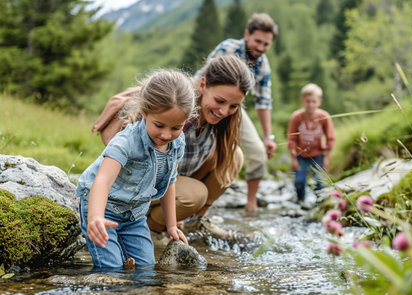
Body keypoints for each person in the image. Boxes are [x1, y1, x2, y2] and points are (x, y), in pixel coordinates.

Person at [91, 55, 254, 233]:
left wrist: (182, 214)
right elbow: (118, 145)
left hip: (170, 181)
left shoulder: (217, 120)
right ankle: (152, 229)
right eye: (220, 101)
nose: (224, 111)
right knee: (195, 194)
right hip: (135, 188)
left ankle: (195, 221)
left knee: (234, 155)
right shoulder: (176, 112)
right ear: (203, 85)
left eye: (233, 106)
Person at [76, 69, 195, 269]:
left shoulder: (178, 143)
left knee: (145, 269)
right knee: (111, 268)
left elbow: (170, 181)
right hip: (103, 209)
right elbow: (102, 180)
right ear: (145, 112)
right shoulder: (126, 141)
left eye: (176, 127)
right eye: (159, 125)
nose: (166, 135)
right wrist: (95, 216)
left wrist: (172, 226)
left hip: (135, 216)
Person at [199, 13, 278, 213]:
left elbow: (264, 101)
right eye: (258, 41)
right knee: (205, 149)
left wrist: (268, 137)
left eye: (266, 44)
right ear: (247, 34)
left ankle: (251, 202)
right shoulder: (229, 48)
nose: (261, 47)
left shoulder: (263, 65)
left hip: (233, 108)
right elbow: (206, 80)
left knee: (259, 153)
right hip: (203, 100)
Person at [287, 83, 336, 202]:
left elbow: (330, 138)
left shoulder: (324, 116)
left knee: (320, 181)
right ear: (303, 101)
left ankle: (320, 203)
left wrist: (326, 157)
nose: (310, 104)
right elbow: (291, 139)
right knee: (299, 181)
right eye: (308, 101)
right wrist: (293, 158)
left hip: (318, 154)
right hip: (301, 155)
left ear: (319, 101)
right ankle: (301, 201)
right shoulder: (296, 117)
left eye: (313, 101)